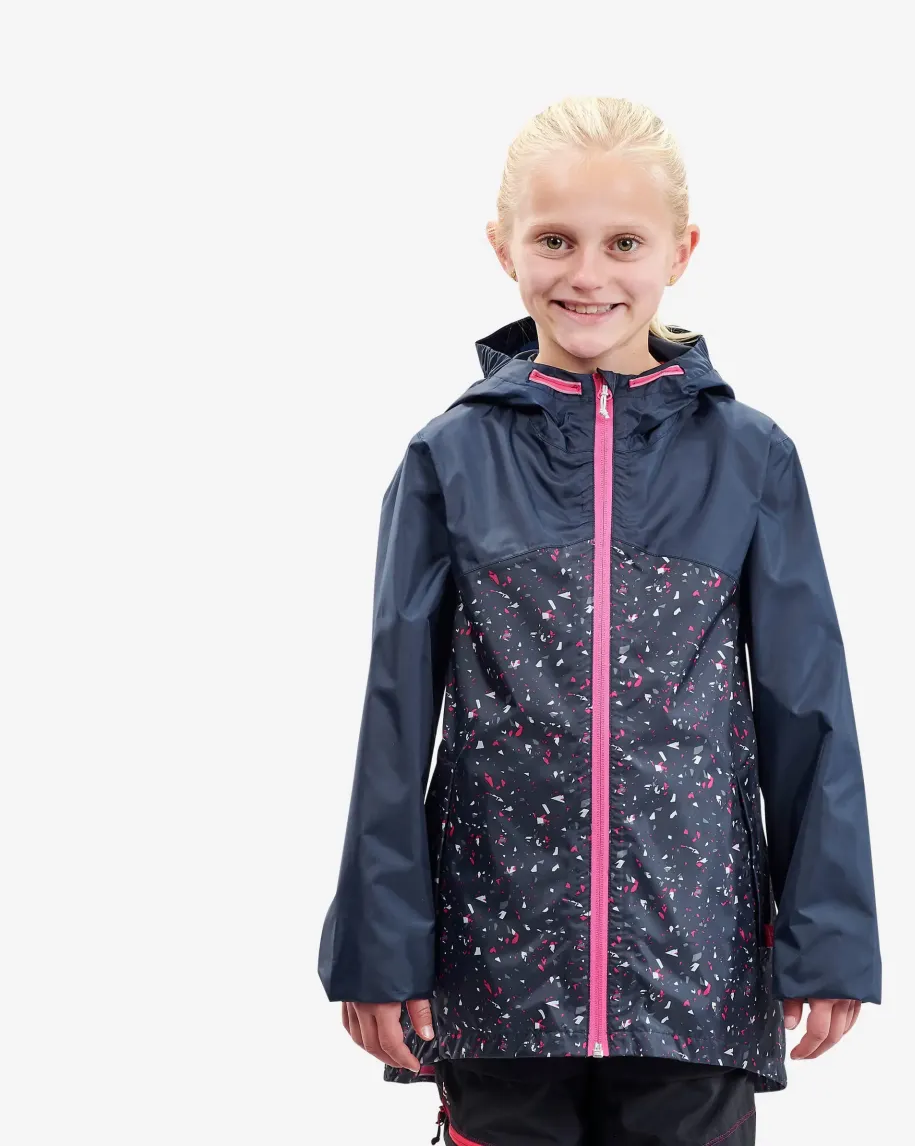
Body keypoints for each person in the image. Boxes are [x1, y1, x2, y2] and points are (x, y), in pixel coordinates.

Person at [317, 95, 882, 1146]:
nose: (588, 274)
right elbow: (395, 715)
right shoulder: (448, 458)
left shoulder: (750, 458)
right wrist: (378, 946)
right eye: (555, 241)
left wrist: (831, 934)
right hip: (494, 970)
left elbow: (807, 709)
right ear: (503, 248)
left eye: (624, 243)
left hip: (695, 969)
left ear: (681, 251)